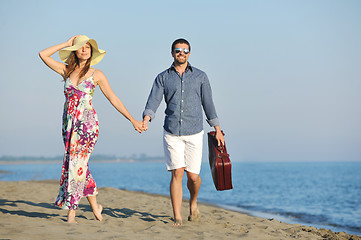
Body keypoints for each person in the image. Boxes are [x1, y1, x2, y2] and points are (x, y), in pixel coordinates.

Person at [39, 35, 144, 223]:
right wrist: (66, 43)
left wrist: (132, 120)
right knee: (80, 166)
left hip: (87, 127)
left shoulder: (97, 74)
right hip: (68, 125)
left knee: (75, 165)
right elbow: (43, 54)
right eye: (80, 47)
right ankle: (96, 208)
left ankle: (71, 213)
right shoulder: (66, 71)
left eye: (88, 47)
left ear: (92, 51)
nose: (85, 49)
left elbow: (113, 98)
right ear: (75, 51)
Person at [142, 38, 225, 225]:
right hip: (171, 131)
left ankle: (193, 203)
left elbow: (208, 103)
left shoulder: (200, 76)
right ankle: (177, 216)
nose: (182, 53)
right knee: (177, 173)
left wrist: (217, 129)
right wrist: (147, 118)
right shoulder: (163, 77)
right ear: (172, 53)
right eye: (178, 50)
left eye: (185, 50)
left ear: (189, 53)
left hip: (195, 132)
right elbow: (153, 101)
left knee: (193, 177)